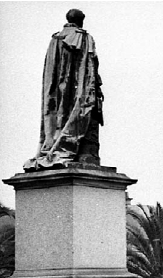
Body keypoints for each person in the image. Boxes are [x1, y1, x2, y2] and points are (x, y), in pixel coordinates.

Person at [24, 8, 104, 171]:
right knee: (80, 111)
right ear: (81, 20)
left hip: (57, 91)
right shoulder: (84, 38)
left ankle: (53, 145)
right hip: (78, 88)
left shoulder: (55, 39)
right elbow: (90, 67)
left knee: (59, 112)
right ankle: (71, 148)